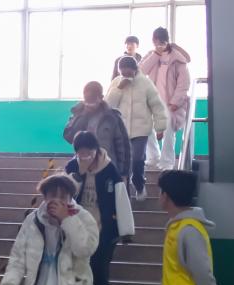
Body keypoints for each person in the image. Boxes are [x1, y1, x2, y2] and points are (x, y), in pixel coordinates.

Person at [64, 131, 136, 285]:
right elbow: (66, 196)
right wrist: (79, 173)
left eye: (88, 152)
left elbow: (121, 200)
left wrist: (126, 230)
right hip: (78, 229)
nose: (85, 157)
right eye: (80, 153)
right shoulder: (72, 167)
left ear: (96, 150)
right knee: (77, 269)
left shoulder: (109, 169)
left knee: (99, 269)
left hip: (104, 230)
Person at [106, 56, 169, 201]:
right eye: (123, 73)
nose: (126, 75)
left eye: (128, 73)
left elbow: (157, 105)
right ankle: (124, 193)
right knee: (122, 164)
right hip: (121, 131)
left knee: (137, 160)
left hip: (141, 130)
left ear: (135, 70)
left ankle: (139, 185)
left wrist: (160, 127)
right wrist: (119, 88)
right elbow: (108, 106)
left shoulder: (145, 83)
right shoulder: (116, 83)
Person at [140, 27, 191, 171]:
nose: (157, 44)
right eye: (156, 41)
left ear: (166, 40)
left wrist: (175, 102)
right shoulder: (151, 55)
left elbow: (183, 83)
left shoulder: (177, 58)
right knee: (146, 126)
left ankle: (167, 161)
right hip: (152, 101)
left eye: (160, 41)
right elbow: (141, 71)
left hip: (170, 103)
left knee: (168, 131)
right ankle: (153, 157)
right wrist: (156, 54)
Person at [63, 81, 132, 185]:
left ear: (101, 97)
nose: (90, 103)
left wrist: (123, 172)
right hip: (83, 168)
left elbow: (123, 145)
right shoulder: (78, 114)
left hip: (108, 168)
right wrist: (84, 116)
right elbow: (68, 137)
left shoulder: (112, 117)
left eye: (93, 99)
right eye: (87, 99)